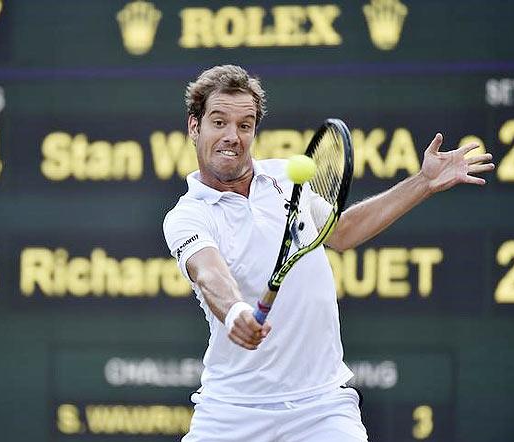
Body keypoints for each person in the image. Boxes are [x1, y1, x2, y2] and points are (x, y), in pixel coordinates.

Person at [162, 64, 494, 441]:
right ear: (194, 127)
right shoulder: (188, 215)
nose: (233, 136)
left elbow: (341, 232)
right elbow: (209, 274)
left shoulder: (289, 178)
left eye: (245, 124)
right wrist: (237, 311)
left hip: (321, 407)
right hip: (231, 411)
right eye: (219, 122)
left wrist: (423, 183)